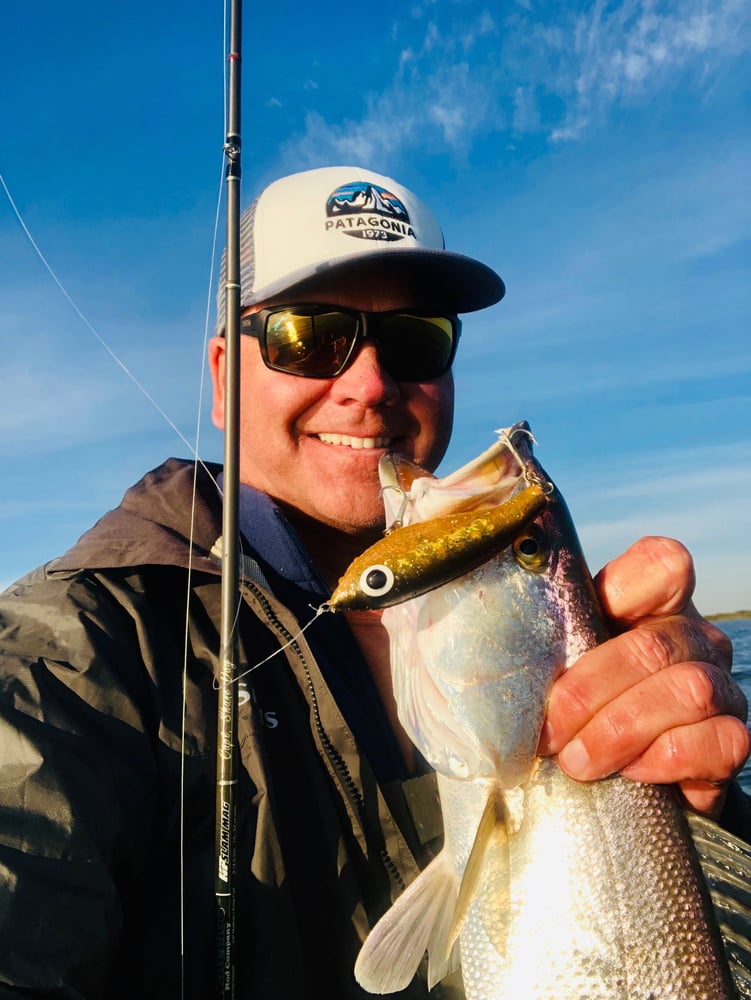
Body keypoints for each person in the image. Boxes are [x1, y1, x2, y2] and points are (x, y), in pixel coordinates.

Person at [0, 165, 748, 999]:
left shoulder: (561, 645)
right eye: (306, 335)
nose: (368, 384)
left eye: (415, 338)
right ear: (221, 377)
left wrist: (696, 804)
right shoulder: (71, 652)